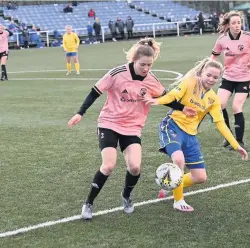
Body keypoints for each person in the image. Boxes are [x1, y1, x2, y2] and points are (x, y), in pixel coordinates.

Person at [67, 37, 196, 220]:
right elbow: (95, 91)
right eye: (143, 64)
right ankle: (88, 203)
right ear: (134, 59)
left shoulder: (151, 80)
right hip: (109, 123)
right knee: (109, 165)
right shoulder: (117, 73)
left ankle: (126, 196)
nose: (146, 69)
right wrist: (80, 113)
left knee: (135, 167)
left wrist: (183, 108)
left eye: (149, 65)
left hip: (132, 127)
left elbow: (166, 98)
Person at [142, 58, 248, 212]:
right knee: (178, 159)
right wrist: (156, 101)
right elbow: (171, 96)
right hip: (172, 126)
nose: (211, 79)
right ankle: (178, 201)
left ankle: (170, 183)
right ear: (202, 72)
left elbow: (220, 122)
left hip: (190, 135)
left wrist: (236, 145)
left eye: (215, 77)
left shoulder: (213, 99)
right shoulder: (189, 81)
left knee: (200, 177)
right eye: (209, 75)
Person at [211, 11, 250, 149]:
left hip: (244, 78)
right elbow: (213, 57)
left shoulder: (248, 37)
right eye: (234, 23)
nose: (237, 25)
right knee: (219, 105)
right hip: (228, 77)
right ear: (228, 25)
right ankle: (228, 136)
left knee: (236, 107)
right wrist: (211, 70)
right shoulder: (221, 40)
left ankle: (239, 141)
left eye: (239, 22)